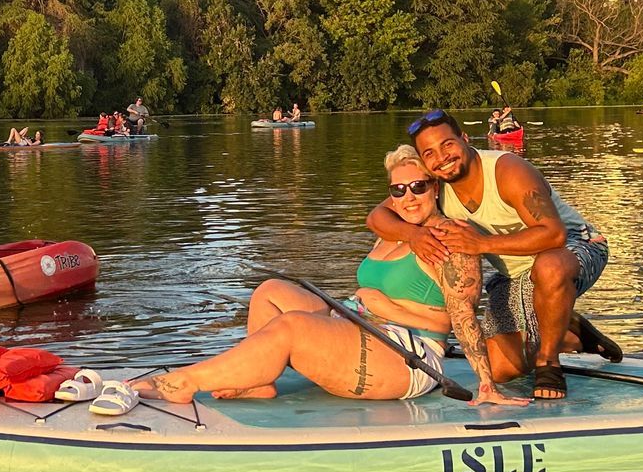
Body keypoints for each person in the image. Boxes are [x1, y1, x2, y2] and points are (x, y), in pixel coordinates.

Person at [142, 147, 452, 405]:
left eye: (418, 186)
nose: (408, 196)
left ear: (435, 187)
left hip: (410, 353)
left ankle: (184, 382)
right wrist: (367, 305)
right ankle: (258, 381)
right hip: (359, 321)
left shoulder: (447, 238)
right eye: (398, 189)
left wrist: (387, 309)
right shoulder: (392, 230)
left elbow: (450, 321)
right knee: (269, 291)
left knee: (293, 326)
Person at [370, 110, 618, 405]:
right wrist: (414, 235)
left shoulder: (507, 170)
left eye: (447, 145)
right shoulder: (435, 184)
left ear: (465, 139)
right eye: (430, 153)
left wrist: (481, 243)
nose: (442, 157)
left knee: (549, 267)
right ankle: (570, 332)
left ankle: (549, 363)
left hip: (576, 249)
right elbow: (377, 216)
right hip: (515, 274)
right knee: (500, 369)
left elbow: (554, 235)